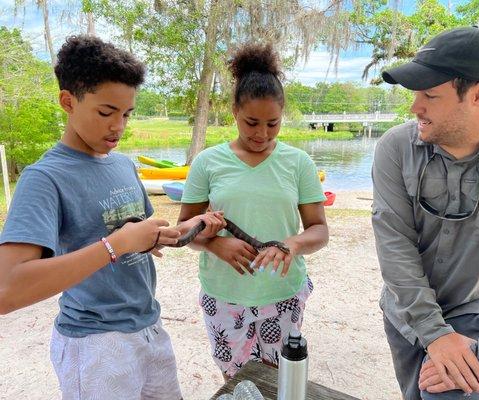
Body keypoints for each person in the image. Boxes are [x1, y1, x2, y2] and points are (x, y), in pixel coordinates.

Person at [0, 35, 225, 399]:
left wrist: (188, 229)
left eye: (126, 114)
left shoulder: (122, 164)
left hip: (149, 328)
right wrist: (115, 245)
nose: (118, 126)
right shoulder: (44, 178)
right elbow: (7, 290)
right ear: (67, 102)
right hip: (95, 344)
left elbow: (144, 238)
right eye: (106, 112)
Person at [372, 26, 479, 400]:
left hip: (476, 304)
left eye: (430, 94)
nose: (415, 107)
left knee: (450, 395)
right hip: (406, 310)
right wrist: (435, 334)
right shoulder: (394, 148)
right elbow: (395, 248)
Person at [178, 43, 329, 378]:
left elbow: (319, 229)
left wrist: (292, 245)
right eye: (251, 122)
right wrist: (216, 244)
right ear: (234, 111)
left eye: (272, 124)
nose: (261, 134)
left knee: (279, 379)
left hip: (284, 292)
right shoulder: (208, 162)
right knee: (235, 380)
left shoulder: (298, 162)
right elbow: (184, 228)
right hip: (225, 294)